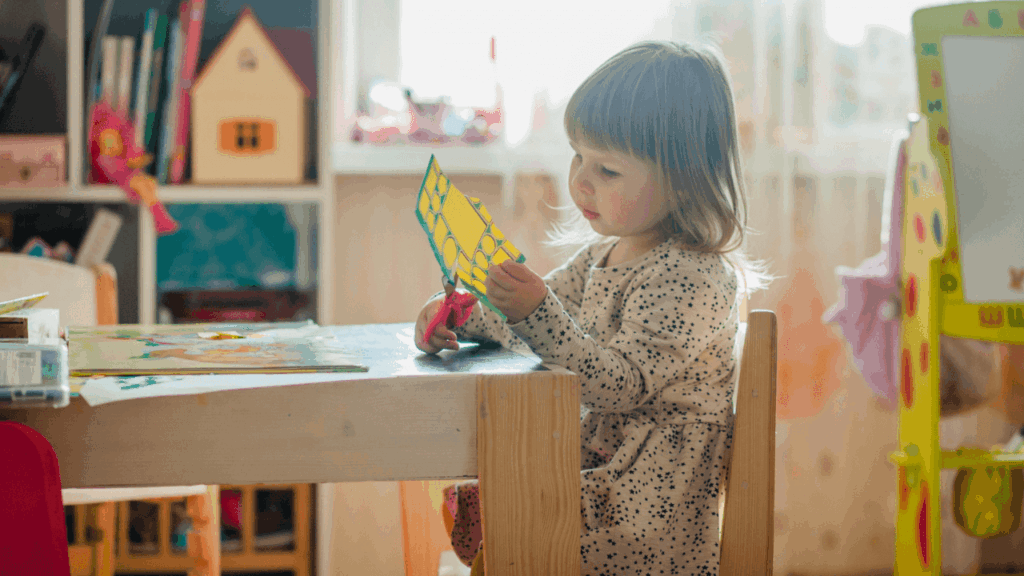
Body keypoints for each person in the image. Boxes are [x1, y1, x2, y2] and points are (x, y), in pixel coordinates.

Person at [415, 39, 771, 576]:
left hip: (647, 511)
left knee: (514, 518)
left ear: (685, 177)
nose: (580, 179)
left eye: (607, 170)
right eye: (578, 155)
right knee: (503, 497)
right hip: (603, 472)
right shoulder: (602, 254)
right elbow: (538, 324)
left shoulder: (694, 276)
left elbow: (618, 383)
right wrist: (463, 317)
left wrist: (534, 312)